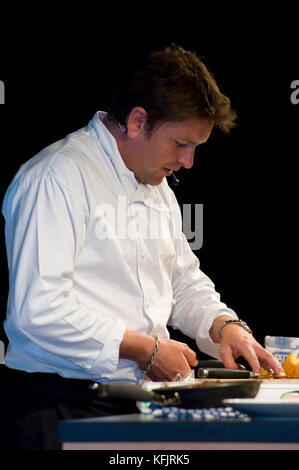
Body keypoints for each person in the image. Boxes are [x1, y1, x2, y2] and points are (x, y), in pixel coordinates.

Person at [0, 44, 285, 449]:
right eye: (180, 144)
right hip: (57, 407)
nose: (188, 162)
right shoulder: (57, 178)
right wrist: (146, 350)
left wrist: (223, 327)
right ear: (137, 121)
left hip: (132, 404)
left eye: (195, 148)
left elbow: (182, 280)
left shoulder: (155, 182)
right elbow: (39, 310)